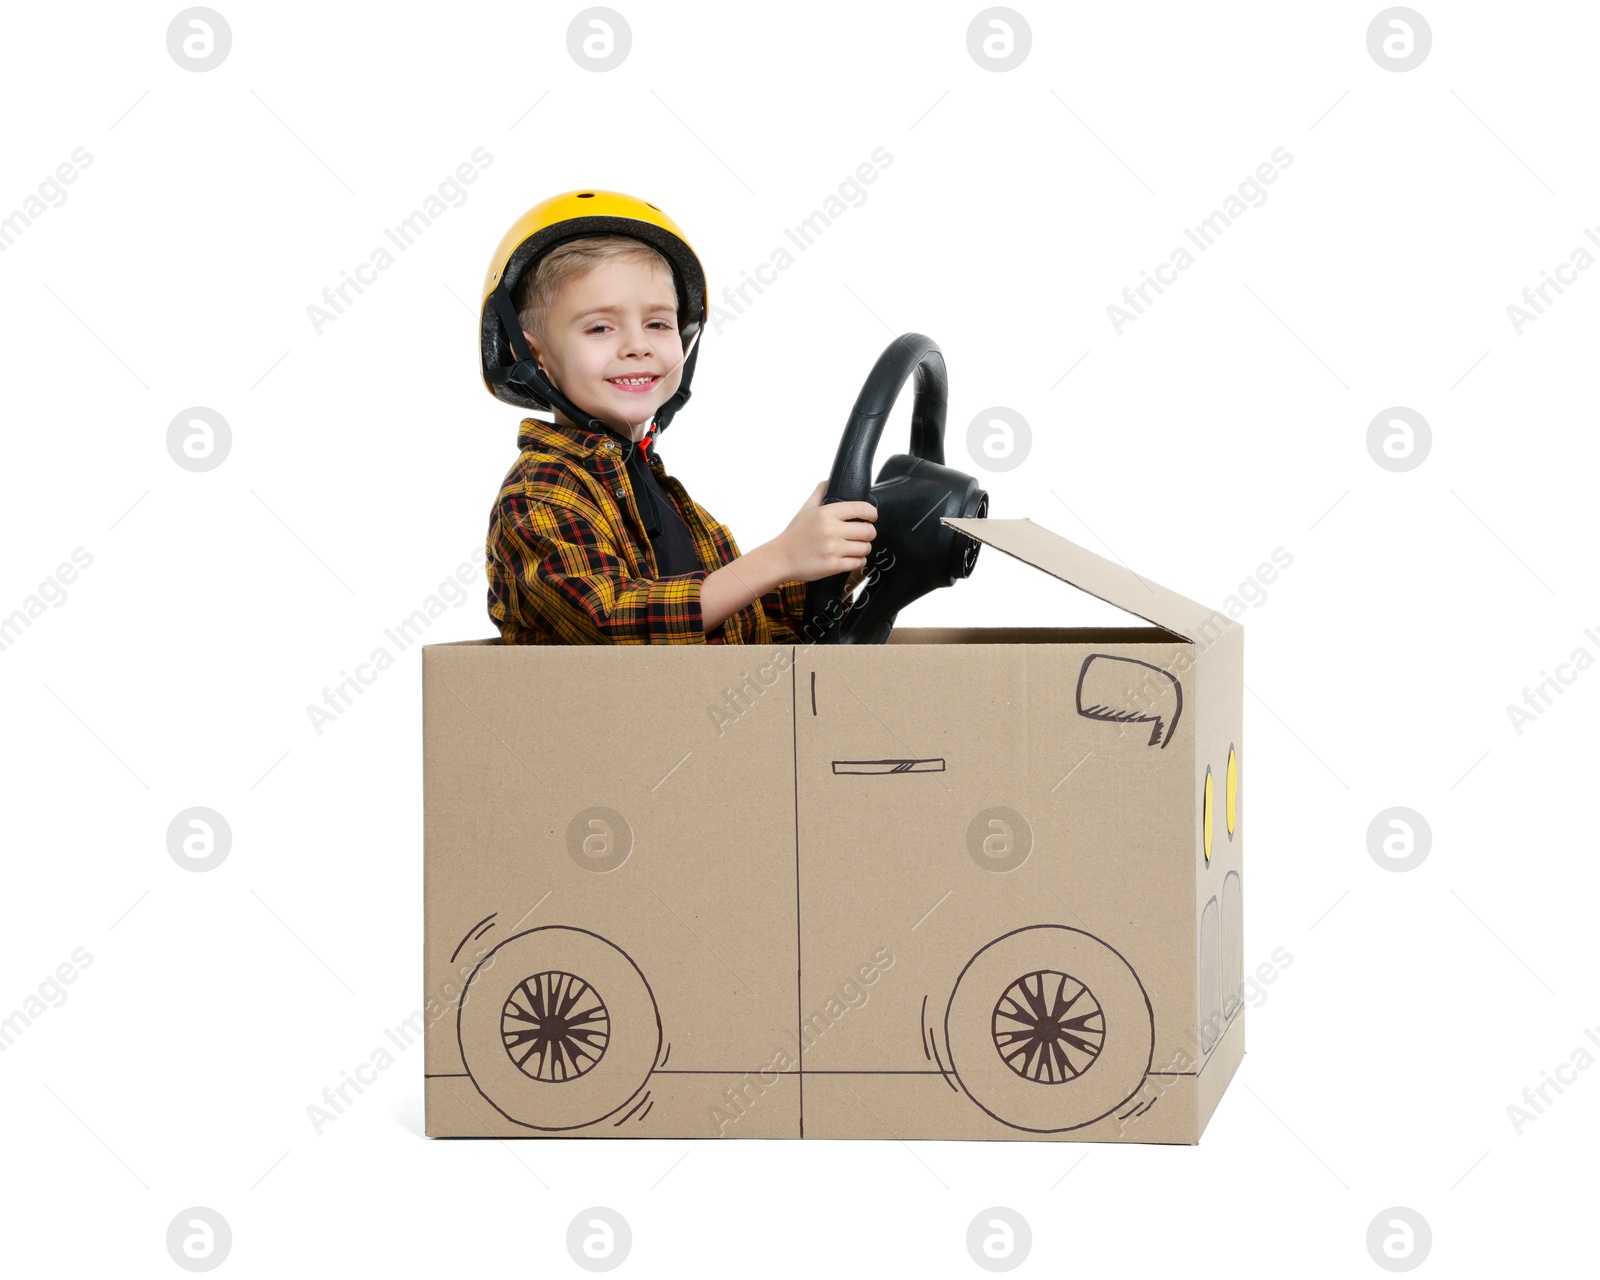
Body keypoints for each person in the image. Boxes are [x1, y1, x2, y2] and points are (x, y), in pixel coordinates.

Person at [479, 189, 874, 644]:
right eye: (600, 327)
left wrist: (843, 556)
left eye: (658, 324)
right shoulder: (541, 492)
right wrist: (780, 557)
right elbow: (616, 621)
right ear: (533, 354)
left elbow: (746, 622)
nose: (638, 345)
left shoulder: (650, 486)